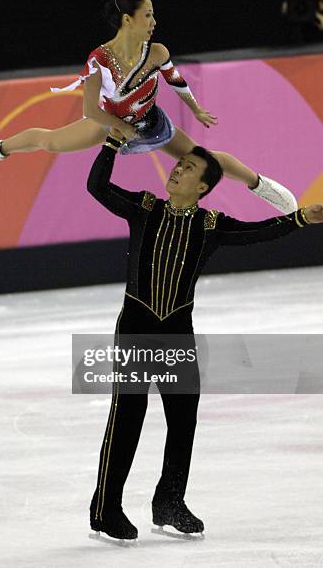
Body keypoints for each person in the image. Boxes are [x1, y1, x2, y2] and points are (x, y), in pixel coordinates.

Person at [85, 129, 322, 543]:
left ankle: (169, 502)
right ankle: (106, 509)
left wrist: (300, 218)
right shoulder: (144, 208)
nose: (177, 170)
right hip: (137, 329)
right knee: (127, 419)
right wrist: (109, 146)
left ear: (204, 187)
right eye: (179, 165)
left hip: (177, 330)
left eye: (188, 168)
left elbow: (257, 232)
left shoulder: (210, 226)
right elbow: (97, 187)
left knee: (182, 421)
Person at [0, 0, 297, 215]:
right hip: (110, 125)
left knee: (203, 159)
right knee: (50, 141)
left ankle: (260, 184)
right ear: (128, 19)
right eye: (148, 15)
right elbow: (90, 111)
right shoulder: (99, 60)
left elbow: (175, 80)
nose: (154, 22)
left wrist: (194, 108)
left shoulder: (157, 51)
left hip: (152, 123)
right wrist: (118, 128)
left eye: (154, 15)